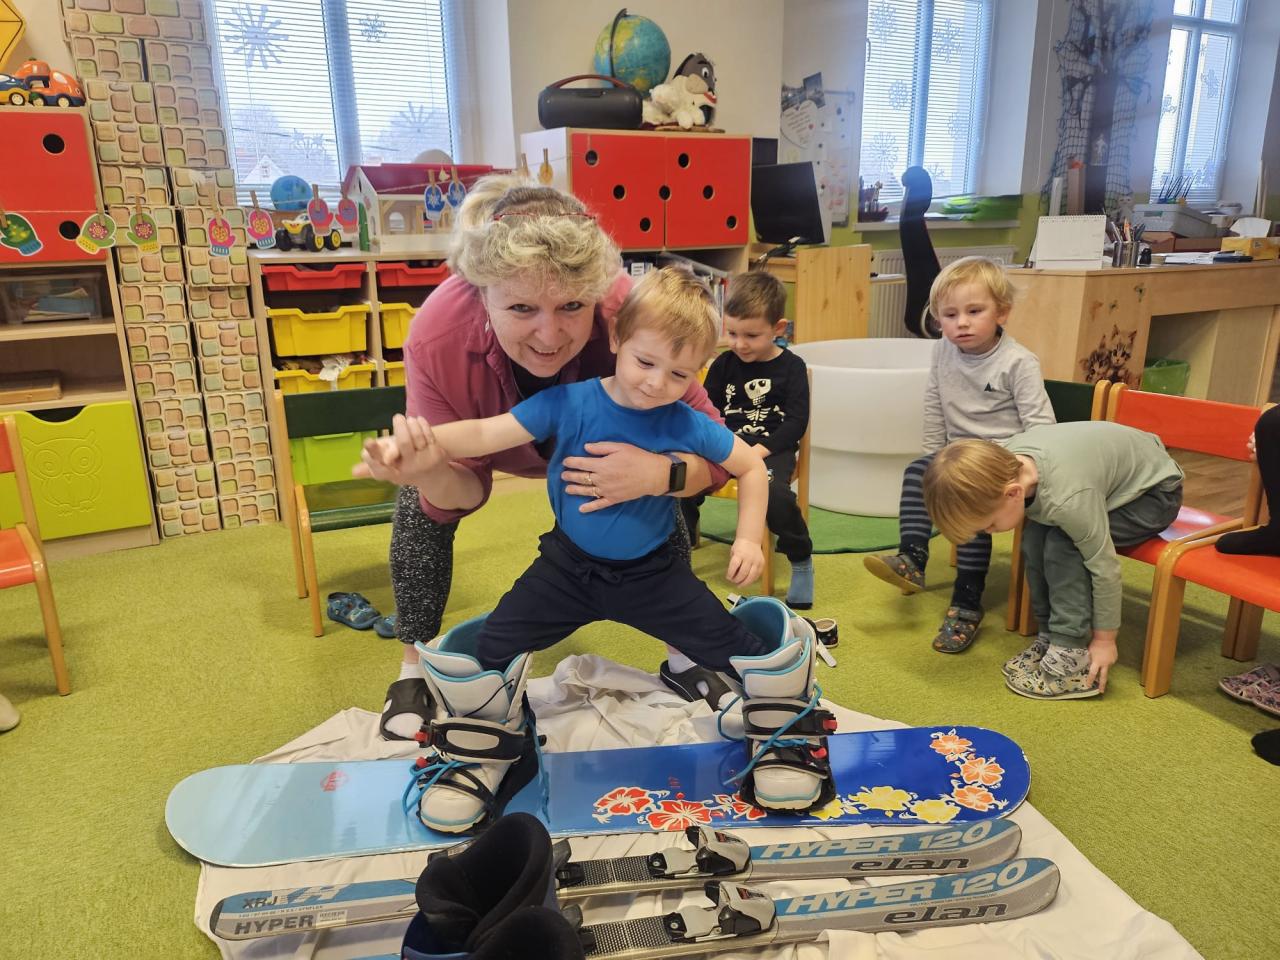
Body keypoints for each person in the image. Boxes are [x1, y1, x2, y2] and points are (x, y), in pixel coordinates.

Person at [359, 267, 831, 830]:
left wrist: (750, 537)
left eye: (679, 373)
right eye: (645, 362)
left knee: (743, 650)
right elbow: (485, 433)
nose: (656, 384)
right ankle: (489, 741)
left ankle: (783, 721)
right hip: (567, 570)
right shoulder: (568, 402)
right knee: (486, 651)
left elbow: (750, 467)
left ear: (699, 371)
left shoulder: (686, 420)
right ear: (616, 340)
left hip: (654, 575)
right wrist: (419, 445)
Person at [375, 176, 735, 740]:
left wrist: (658, 474)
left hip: (605, 450)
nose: (549, 335)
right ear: (481, 293)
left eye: (571, 306)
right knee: (419, 508)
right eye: (521, 307)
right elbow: (459, 494)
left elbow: (717, 457)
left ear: (599, 299)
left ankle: (685, 655)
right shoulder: (436, 338)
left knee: (658, 494)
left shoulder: (631, 314)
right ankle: (412, 670)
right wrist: (429, 471)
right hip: (489, 434)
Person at [863, 256, 1054, 653]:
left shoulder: (1018, 362)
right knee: (918, 470)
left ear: (1002, 312)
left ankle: (967, 602)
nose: (961, 323)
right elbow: (935, 404)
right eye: (949, 315)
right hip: (958, 457)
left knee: (969, 493)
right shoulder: (942, 352)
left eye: (974, 311)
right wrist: (936, 462)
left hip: (1005, 463)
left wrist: (1015, 469)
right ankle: (912, 558)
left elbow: (1042, 429)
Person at [922, 421, 1184, 699]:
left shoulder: (1068, 500)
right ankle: (1052, 637)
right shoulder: (1004, 462)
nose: (988, 532)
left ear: (1013, 493)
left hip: (1154, 495)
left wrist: (1105, 640)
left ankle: (1071, 655)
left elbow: (1105, 568)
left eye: (990, 525)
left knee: (1063, 545)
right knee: (1033, 538)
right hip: (1103, 476)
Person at [681, 270, 815, 608]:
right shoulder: (723, 364)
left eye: (752, 335)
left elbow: (796, 422)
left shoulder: (793, 368)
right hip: (725, 446)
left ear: (778, 329)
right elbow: (707, 411)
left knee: (778, 497)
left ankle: (800, 558)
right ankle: (682, 543)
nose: (740, 344)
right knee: (680, 478)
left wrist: (758, 451)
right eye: (733, 333)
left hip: (771, 449)